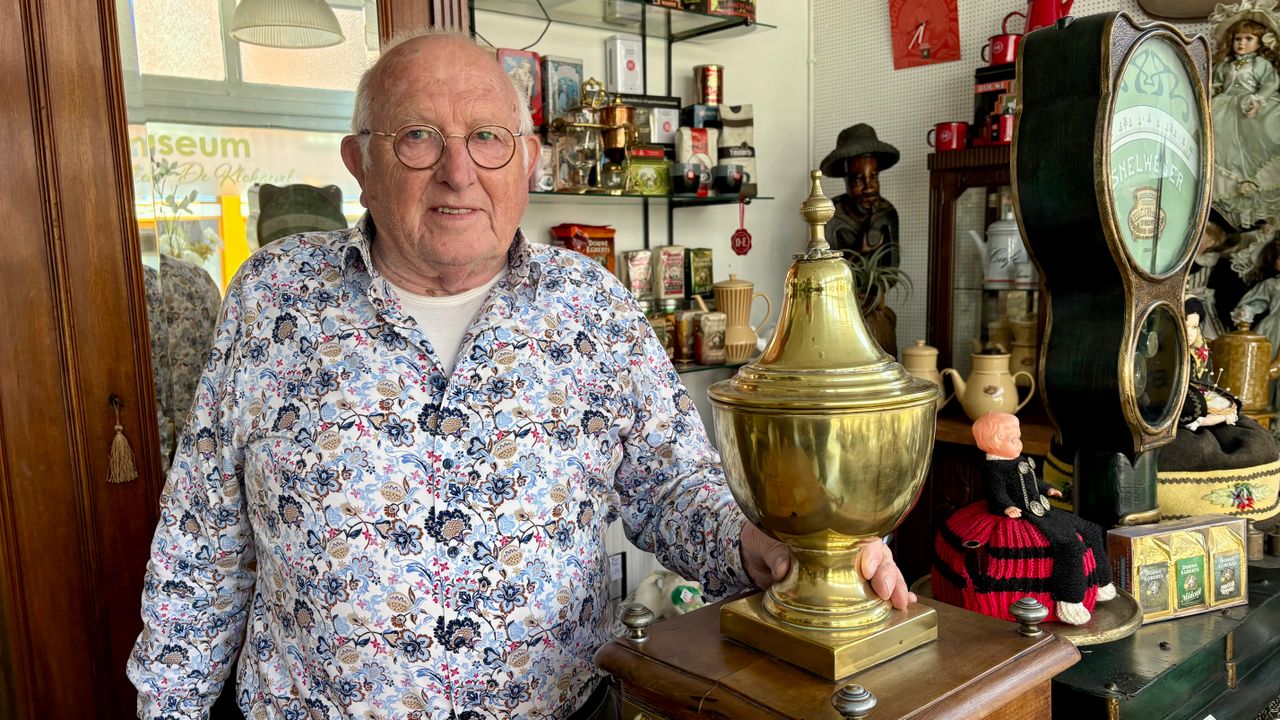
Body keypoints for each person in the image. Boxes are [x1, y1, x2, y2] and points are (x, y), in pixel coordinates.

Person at [127, 30, 912, 720]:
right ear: (358, 163)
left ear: (529, 163)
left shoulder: (590, 306)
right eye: (418, 138)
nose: (458, 172)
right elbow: (202, 542)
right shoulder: (273, 298)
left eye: (488, 138)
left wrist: (790, 553)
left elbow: (672, 486)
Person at [973, 412, 1115, 625]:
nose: (1019, 444)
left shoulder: (1018, 460)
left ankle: (1101, 582)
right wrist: (1007, 507)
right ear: (994, 444)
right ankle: (1069, 600)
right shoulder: (994, 469)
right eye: (1013, 440)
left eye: (1019, 438)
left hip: (1041, 508)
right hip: (1025, 515)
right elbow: (996, 493)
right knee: (1068, 545)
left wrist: (1047, 488)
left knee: (1092, 529)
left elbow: (1031, 482)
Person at [1209, 3, 1280, 230]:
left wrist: (1259, 100)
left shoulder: (1261, 63)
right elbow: (1218, 84)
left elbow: (1271, 84)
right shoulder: (1226, 65)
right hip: (1225, 106)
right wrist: (1209, 92)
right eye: (1238, 38)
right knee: (1217, 137)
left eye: (1248, 38)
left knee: (1268, 130)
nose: (1241, 43)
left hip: (1253, 102)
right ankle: (1231, 191)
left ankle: (1259, 187)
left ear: (1260, 43)